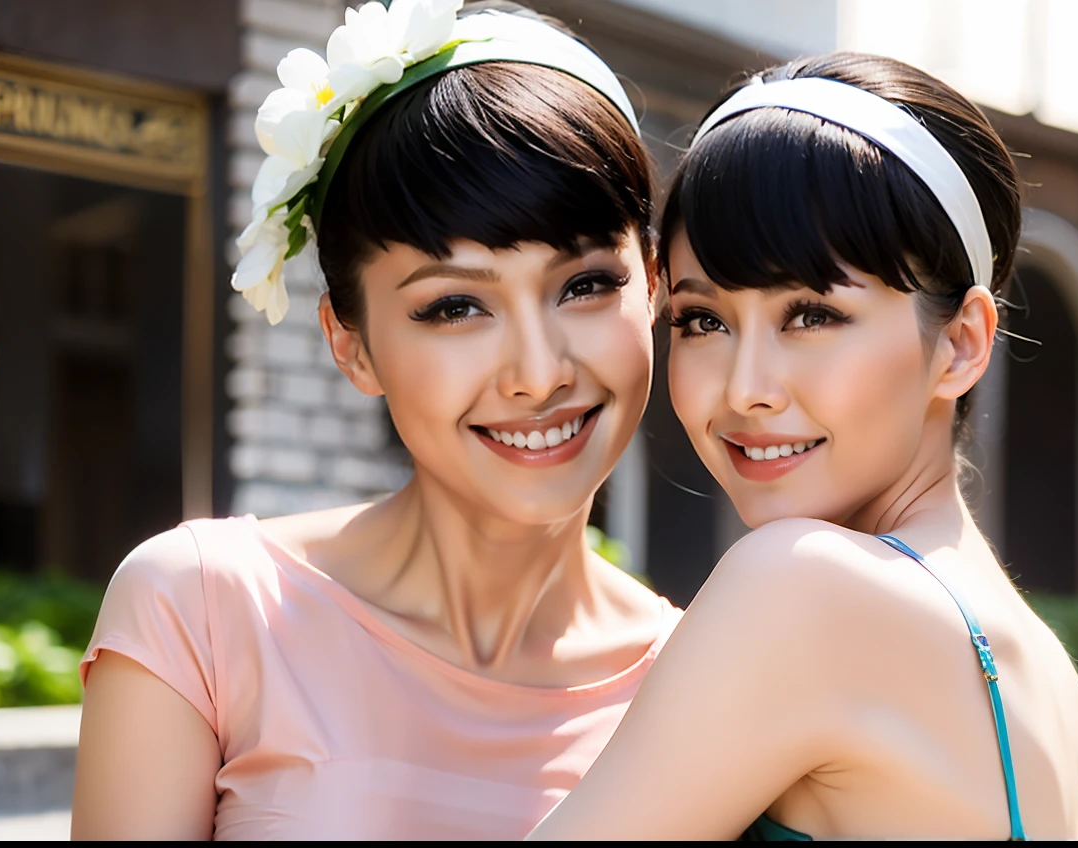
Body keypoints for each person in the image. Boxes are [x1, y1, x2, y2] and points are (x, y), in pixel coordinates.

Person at [70, 2, 676, 839]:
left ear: (653, 287)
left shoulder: (702, 680)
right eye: (457, 306)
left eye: (584, 286)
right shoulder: (205, 609)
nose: (539, 375)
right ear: (350, 346)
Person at [529, 53, 1078, 840]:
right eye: (703, 320)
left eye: (811, 315)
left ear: (961, 344)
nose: (745, 389)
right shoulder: (1045, 674)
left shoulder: (798, 588)